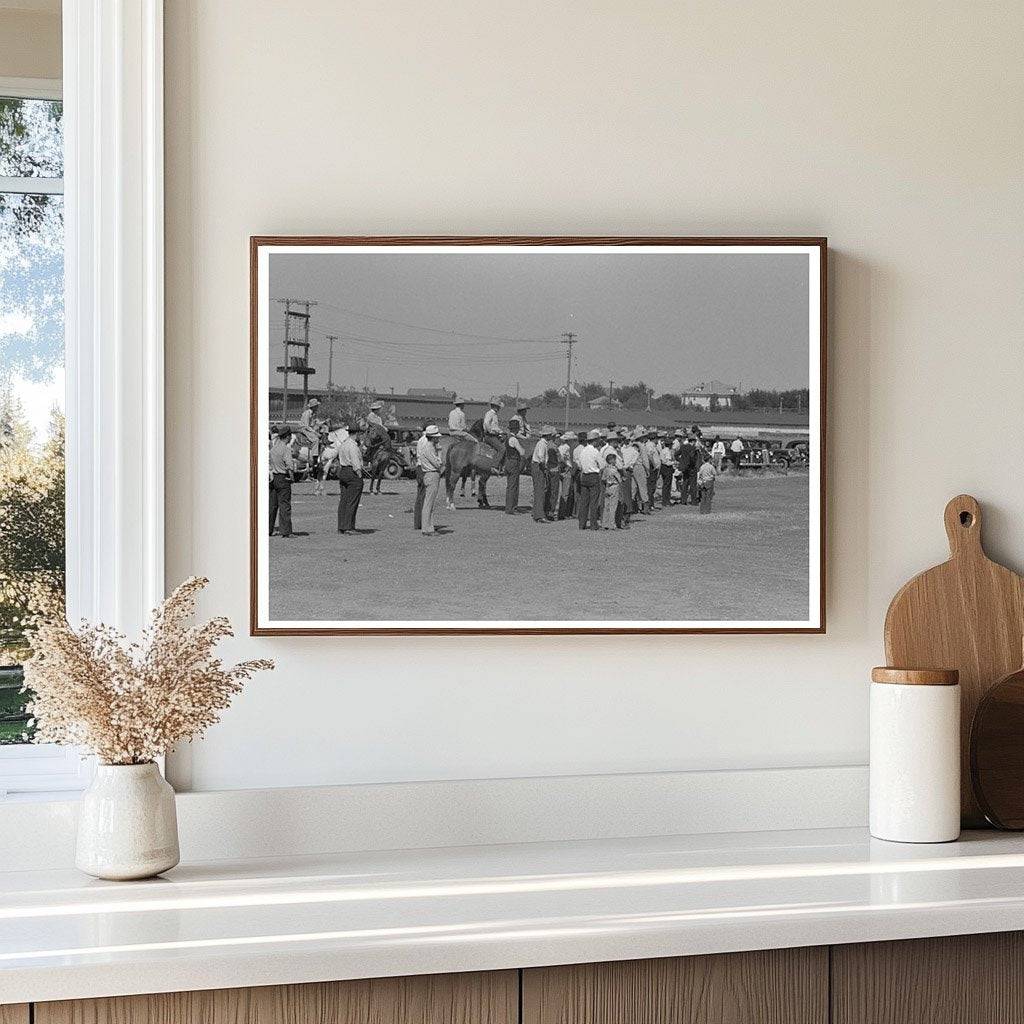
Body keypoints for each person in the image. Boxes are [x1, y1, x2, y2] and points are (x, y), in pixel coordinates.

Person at [323, 421, 364, 533]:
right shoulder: (353, 446)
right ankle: (349, 527)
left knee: (344, 500)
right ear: (356, 434)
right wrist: (359, 474)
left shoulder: (344, 444)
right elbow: (356, 463)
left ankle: (341, 526)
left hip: (343, 471)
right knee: (352, 501)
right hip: (352, 472)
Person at [269, 424, 295, 537]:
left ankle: (268, 529)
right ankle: (286, 531)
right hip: (283, 478)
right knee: (284, 505)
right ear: (288, 437)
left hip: (273, 477)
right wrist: (292, 477)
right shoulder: (286, 449)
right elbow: (289, 465)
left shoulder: (274, 448)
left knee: (272, 505)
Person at [417, 424, 444, 535]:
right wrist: (440, 453)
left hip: (429, 474)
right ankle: (426, 528)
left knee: (430, 502)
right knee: (429, 503)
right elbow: (437, 463)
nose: (438, 438)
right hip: (431, 474)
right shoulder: (429, 447)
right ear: (433, 437)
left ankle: (429, 527)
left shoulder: (428, 446)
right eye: (436, 437)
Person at [577, 428, 603, 530]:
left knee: (584, 501)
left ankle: (582, 524)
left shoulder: (583, 451)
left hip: (584, 476)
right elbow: (602, 465)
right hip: (593, 476)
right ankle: (593, 524)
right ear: (595, 441)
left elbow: (579, 464)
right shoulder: (595, 452)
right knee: (594, 501)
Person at [531, 426, 555, 523]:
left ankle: (536, 512)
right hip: (539, 467)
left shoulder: (541, 443)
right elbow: (541, 458)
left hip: (537, 466)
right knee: (540, 491)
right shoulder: (542, 444)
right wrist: (545, 468)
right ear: (548, 435)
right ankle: (540, 515)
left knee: (539, 490)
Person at [600, 451, 621, 530]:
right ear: (612, 461)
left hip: (607, 487)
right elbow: (619, 479)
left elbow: (603, 479)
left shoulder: (605, 469)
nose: (615, 461)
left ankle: (604, 523)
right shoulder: (614, 470)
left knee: (606, 506)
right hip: (614, 487)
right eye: (614, 460)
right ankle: (612, 524)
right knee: (613, 506)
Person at [556, 431, 574, 519]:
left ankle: (561, 511)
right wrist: (566, 467)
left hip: (561, 469)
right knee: (565, 492)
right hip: (566, 469)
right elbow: (562, 459)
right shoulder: (567, 447)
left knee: (562, 491)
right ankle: (562, 513)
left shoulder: (560, 447)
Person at [677, 435, 699, 505]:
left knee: (685, 484)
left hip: (684, 468)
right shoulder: (694, 448)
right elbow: (692, 458)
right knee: (693, 485)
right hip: (692, 468)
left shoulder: (683, 447)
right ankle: (693, 501)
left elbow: (676, 454)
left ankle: (683, 501)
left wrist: (681, 461)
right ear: (693, 441)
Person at [657, 432, 675, 506]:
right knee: (667, 485)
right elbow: (668, 462)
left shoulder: (662, 450)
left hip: (663, 468)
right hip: (667, 468)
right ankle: (666, 500)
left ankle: (665, 500)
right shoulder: (667, 451)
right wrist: (674, 463)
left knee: (665, 484)